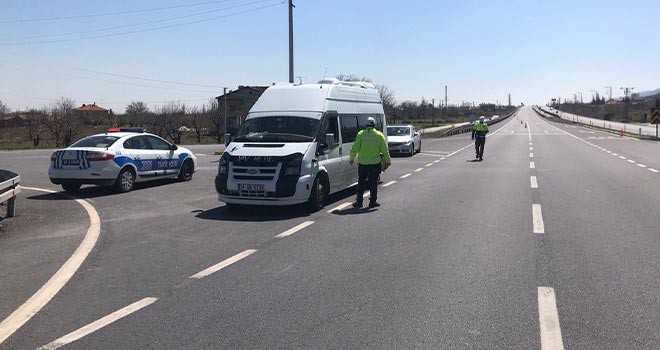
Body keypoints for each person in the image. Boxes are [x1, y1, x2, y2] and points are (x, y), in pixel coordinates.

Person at [350, 117, 392, 208]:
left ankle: (359, 202)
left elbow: (355, 148)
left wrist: (351, 158)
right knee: (373, 183)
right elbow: (385, 151)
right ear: (374, 125)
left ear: (366, 125)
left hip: (363, 164)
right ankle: (372, 202)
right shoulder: (379, 135)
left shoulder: (361, 134)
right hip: (375, 164)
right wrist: (388, 161)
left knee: (361, 183)